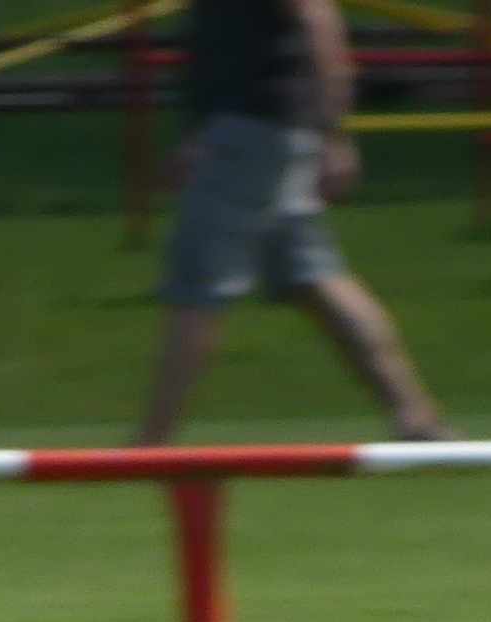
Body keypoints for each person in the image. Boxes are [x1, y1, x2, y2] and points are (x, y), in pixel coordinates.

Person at [136, 0, 446, 445]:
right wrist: (198, 135)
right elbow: (225, 48)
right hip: (254, 131)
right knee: (315, 279)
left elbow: (318, 19)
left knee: (197, 285)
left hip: (251, 133)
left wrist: (334, 131)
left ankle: (152, 443)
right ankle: (417, 419)